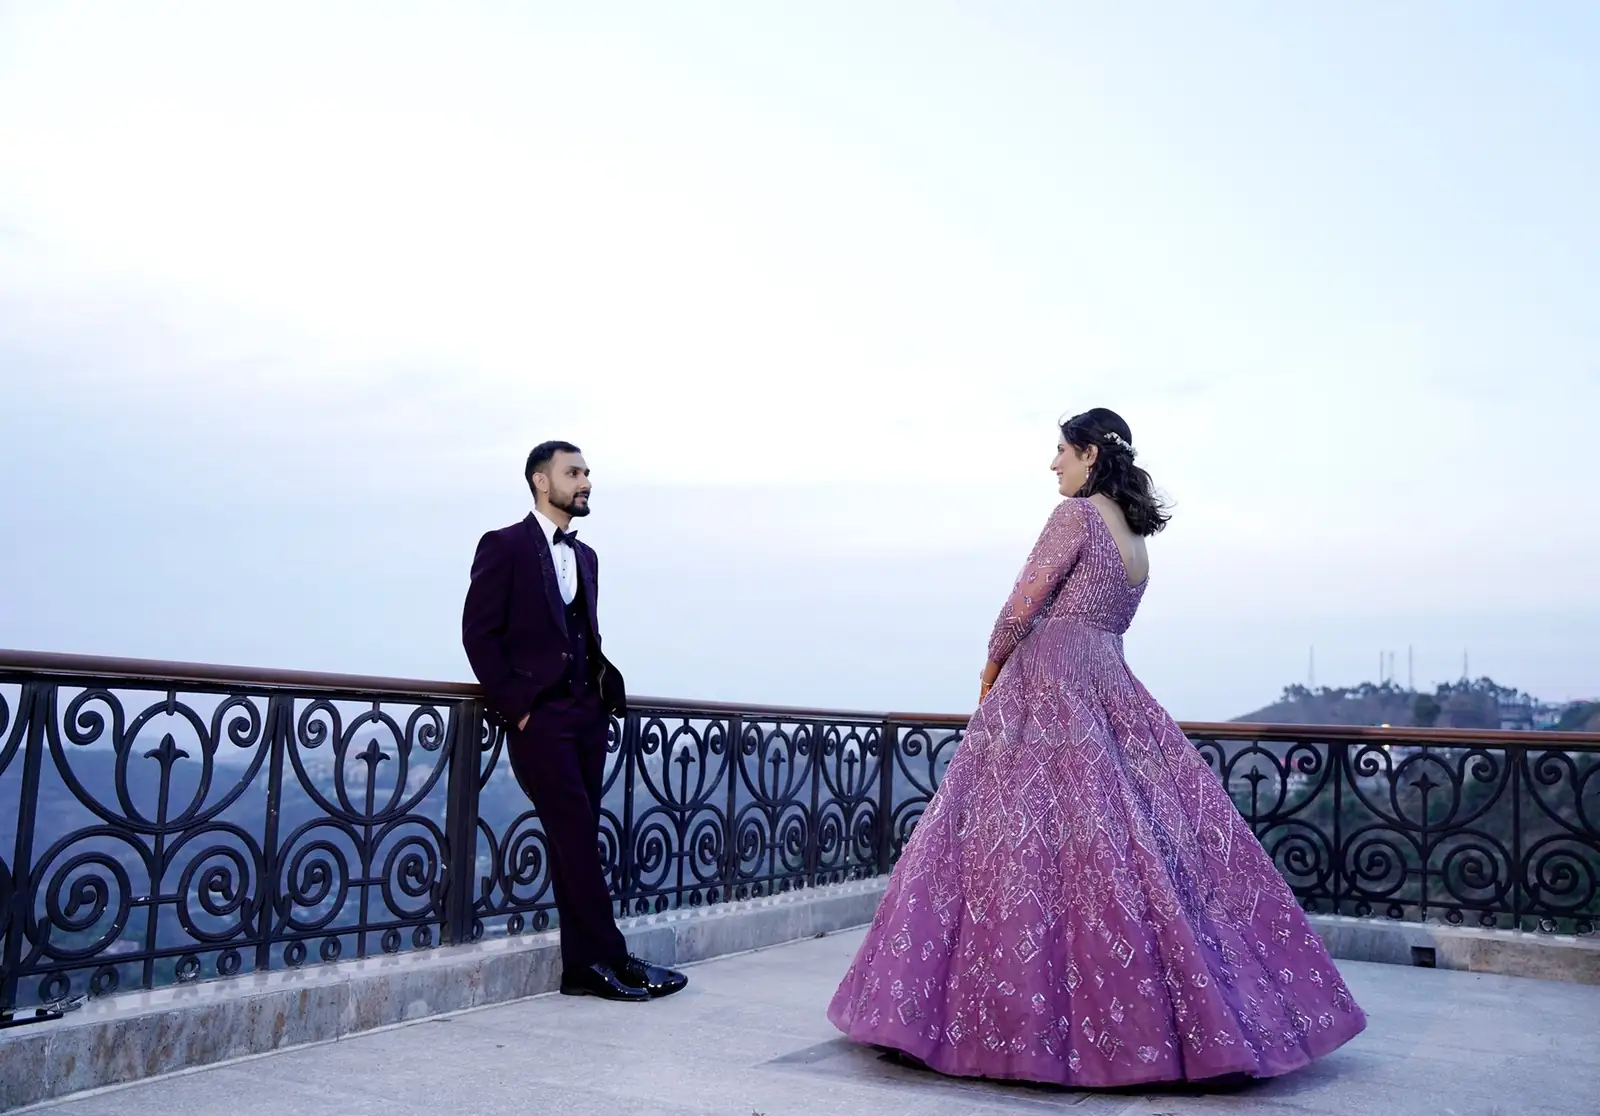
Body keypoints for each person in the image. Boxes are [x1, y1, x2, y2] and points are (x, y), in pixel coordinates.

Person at [827, 408, 1366, 1086]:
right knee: (1127, 847)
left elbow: (1021, 606)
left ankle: (950, 1023)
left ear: (1088, 455)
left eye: (1059, 451)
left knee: (999, 846)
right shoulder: (1135, 538)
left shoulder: (1076, 518)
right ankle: (1175, 1028)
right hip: (1106, 681)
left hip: (1046, 684)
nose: (1052, 464)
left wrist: (992, 671)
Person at [462, 440, 687, 1002]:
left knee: (578, 839)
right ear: (542, 481)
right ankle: (611, 959)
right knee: (576, 836)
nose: (586, 481)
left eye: (587, 472)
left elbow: (580, 633)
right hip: (541, 720)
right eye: (574, 472)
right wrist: (520, 708)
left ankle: (581, 969)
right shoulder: (505, 545)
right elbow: (478, 634)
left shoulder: (586, 557)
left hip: (587, 715)